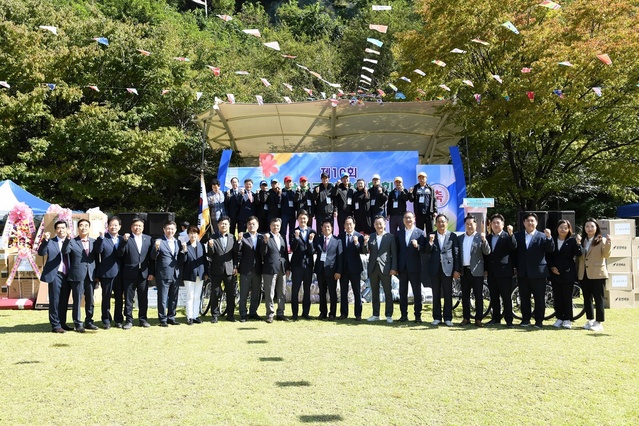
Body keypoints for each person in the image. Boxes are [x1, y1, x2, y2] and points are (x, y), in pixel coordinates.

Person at [514, 212, 555, 328]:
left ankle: (539, 321)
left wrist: (549, 238)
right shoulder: (518, 236)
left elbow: (550, 249)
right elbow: (514, 253)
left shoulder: (542, 236)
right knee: (524, 298)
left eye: (532, 221)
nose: (530, 223)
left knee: (539, 298)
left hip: (538, 273)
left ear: (536, 223)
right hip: (523, 272)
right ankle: (525, 320)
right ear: (523, 223)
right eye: (527, 221)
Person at [61, 219, 99, 332]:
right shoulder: (72, 241)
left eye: (86, 225)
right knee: (77, 300)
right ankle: (78, 323)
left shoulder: (94, 241)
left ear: (89, 227)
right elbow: (65, 251)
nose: (84, 227)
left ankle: (89, 321)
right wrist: (67, 238)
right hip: (77, 275)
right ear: (78, 228)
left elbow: (97, 259)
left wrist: (97, 275)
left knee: (90, 300)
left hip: (91, 274)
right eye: (81, 225)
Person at [117, 218, 154, 329]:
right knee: (128, 298)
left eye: (140, 226)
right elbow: (119, 253)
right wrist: (124, 241)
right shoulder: (126, 238)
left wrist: (151, 272)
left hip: (143, 273)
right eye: (135, 225)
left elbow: (151, 258)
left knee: (143, 298)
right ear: (131, 227)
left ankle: (143, 319)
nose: (137, 228)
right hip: (129, 273)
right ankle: (129, 320)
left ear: (143, 227)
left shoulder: (148, 239)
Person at [577, 218, 611, 332]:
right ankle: (590, 320)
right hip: (584, 273)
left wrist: (609, 244)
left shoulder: (602, 240)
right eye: (587, 226)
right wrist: (578, 243)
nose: (589, 229)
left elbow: (606, 255)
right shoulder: (583, 240)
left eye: (592, 226)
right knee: (587, 298)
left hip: (598, 274)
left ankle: (599, 322)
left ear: (596, 228)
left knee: (598, 299)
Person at [426, 214, 460, 327]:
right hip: (434, 268)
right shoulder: (431, 235)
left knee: (447, 293)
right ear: (435, 223)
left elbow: (456, 254)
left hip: (448, 269)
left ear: (447, 223)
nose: (441, 224)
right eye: (439, 222)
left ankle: (448, 318)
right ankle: (436, 317)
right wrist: (430, 243)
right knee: (435, 293)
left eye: (443, 221)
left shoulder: (452, 236)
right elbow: (426, 252)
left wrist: (456, 270)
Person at [547, 220, 583, 329]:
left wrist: (578, 243)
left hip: (568, 272)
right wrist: (552, 267)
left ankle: (567, 319)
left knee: (567, 297)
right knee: (557, 297)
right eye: (561, 227)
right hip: (555, 272)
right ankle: (559, 318)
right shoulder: (552, 240)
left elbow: (579, 253)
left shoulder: (572, 241)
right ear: (557, 229)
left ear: (569, 230)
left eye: (565, 228)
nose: (563, 230)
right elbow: (548, 255)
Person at [362, 215, 397, 323]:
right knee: (374, 292)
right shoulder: (371, 236)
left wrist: (393, 268)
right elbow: (365, 251)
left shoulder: (390, 237)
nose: (379, 226)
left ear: (384, 224)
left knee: (388, 292)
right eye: (376, 224)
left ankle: (389, 315)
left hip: (385, 268)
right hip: (373, 268)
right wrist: (365, 243)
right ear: (374, 225)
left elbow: (394, 254)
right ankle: (376, 314)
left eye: (380, 224)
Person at [38, 220, 71, 333]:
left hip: (68, 274)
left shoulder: (71, 240)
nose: (61, 230)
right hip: (55, 274)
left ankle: (62, 322)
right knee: (55, 300)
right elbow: (41, 253)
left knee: (64, 300)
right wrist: (45, 240)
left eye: (63, 228)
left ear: (67, 229)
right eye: (58, 228)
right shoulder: (51, 242)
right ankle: (55, 325)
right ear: (55, 230)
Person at [457, 215, 491, 327]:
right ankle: (466, 318)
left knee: (478, 296)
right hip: (464, 271)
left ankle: (478, 319)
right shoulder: (460, 238)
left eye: (471, 224)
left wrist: (484, 239)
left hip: (477, 271)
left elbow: (487, 252)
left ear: (476, 225)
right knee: (465, 296)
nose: (469, 226)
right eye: (467, 224)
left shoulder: (479, 237)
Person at [485, 214, 517, 327]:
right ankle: (496, 318)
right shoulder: (488, 237)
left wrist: (511, 234)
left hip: (504, 272)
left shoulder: (507, 236)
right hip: (491, 272)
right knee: (494, 296)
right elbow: (486, 256)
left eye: (498, 222)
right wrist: (485, 269)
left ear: (503, 225)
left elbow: (514, 247)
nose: (495, 225)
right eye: (493, 223)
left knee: (506, 297)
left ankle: (509, 320)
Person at [151, 220, 184, 326]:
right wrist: (156, 248)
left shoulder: (177, 242)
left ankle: (171, 317)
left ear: (175, 230)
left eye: (172, 229)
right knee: (163, 297)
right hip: (163, 273)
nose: (170, 230)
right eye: (168, 228)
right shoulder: (159, 241)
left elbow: (180, 259)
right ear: (164, 229)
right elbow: (152, 257)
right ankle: (163, 319)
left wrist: (184, 251)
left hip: (175, 273)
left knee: (174, 297)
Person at [207, 216, 239, 322]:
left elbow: (235, 254)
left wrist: (235, 266)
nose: (223, 225)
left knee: (231, 293)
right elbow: (210, 254)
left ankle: (230, 315)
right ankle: (215, 315)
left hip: (230, 269)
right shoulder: (212, 237)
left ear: (229, 225)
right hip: (216, 269)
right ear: (218, 225)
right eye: (221, 223)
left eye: (225, 223)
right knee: (215, 293)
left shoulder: (232, 237)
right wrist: (210, 247)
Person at [396, 211, 426, 323]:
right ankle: (404, 315)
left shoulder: (420, 233)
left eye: (410, 218)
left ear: (414, 219)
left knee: (417, 293)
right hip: (402, 267)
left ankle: (418, 316)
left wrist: (417, 246)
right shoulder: (399, 233)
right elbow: (397, 251)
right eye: (406, 218)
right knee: (402, 293)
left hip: (415, 267)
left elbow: (425, 250)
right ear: (403, 220)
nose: (408, 220)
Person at [95, 216, 125, 329]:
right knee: (106, 297)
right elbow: (99, 250)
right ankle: (106, 320)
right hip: (106, 273)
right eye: (111, 225)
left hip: (120, 273)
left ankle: (118, 320)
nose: (113, 227)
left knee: (119, 298)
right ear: (107, 226)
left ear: (120, 227)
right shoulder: (103, 238)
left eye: (116, 225)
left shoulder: (123, 239)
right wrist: (101, 238)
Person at [261, 218, 289, 323]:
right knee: (270, 292)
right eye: (274, 225)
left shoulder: (282, 238)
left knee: (282, 292)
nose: (275, 227)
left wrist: (287, 268)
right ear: (270, 226)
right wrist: (265, 241)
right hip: (270, 268)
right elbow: (262, 253)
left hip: (282, 268)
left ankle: (280, 313)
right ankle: (270, 314)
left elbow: (285, 254)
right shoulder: (266, 237)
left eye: (277, 225)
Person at [313, 220, 343, 320]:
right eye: (325, 227)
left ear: (332, 228)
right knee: (322, 292)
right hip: (320, 270)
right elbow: (312, 250)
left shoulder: (337, 240)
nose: (327, 229)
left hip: (332, 271)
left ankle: (332, 313)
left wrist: (338, 271)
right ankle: (323, 312)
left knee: (332, 293)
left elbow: (340, 257)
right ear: (321, 229)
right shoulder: (318, 240)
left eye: (328, 227)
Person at [289, 210, 316, 320]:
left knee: (307, 290)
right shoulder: (293, 232)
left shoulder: (312, 232)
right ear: (297, 220)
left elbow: (313, 251)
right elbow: (292, 248)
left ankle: (306, 313)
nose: (303, 220)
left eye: (304, 218)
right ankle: (294, 313)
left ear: (308, 219)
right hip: (297, 265)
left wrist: (310, 242)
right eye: (300, 218)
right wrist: (295, 238)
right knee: (295, 290)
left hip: (308, 265)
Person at [237, 216, 264, 322]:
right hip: (245, 269)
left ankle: (253, 312)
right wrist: (239, 241)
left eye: (253, 224)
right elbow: (237, 250)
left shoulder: (262, 237)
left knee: (256, 293)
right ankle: (243, 313)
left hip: (257, 268)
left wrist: (265, 243)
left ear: (257, 225)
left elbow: (263, 252)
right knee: (244, 293)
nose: (251, 226)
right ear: (247, 226)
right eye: (249, 224)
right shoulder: (243, 236)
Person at [338, 217, 364, 320]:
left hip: (355, 268)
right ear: (344, 225)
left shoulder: (359, 236)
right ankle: (344, 313)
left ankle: (358, 314)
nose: (349, 226)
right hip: (344, 269)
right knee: (343, 292)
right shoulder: (340, 236)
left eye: (350, 224)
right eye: (346, 224)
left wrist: (357, 243)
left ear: (354, 225)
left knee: (357, 292)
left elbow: (362, 251)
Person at [182, 225, 208, 325]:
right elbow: (182, 261)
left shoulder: (201, 245)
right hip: (189, 274)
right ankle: (189, 317)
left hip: (200, 274)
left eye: (195, 233)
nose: (193, 235)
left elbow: (204, 260)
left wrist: (206, 273)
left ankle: (195, 316)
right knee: (190, 296)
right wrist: (184, 251)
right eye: (191, 233)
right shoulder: (185, 245)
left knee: (197, 296)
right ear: (188, 234)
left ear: (198, 234)